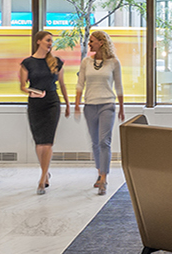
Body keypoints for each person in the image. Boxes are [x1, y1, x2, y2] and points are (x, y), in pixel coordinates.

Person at [74, 29, 125, 195]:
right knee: (95, 142)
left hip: (107, 105)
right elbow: (80, 83)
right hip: (90, 105)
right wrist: (76, 103)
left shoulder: (113, 62)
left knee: (105, 141)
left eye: (92, 41)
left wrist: (122, 107)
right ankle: (99, 172)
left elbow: (118, 86)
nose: (89, 44)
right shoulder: (86, 62)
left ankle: (104, 177)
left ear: (101, 42)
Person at [20, 29, 70, 194]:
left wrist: (68, 104)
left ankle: (42, 177)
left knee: (47, 141)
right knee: (39, 142)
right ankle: (46, 172)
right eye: (48, 40)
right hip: (35, 103)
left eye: (51, 41)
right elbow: (22, 87)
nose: (50, 43)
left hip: (52, 102)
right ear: (38, 41)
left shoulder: (56, 62)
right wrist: (32, 91)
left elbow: (62, 85)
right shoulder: (27, 63)